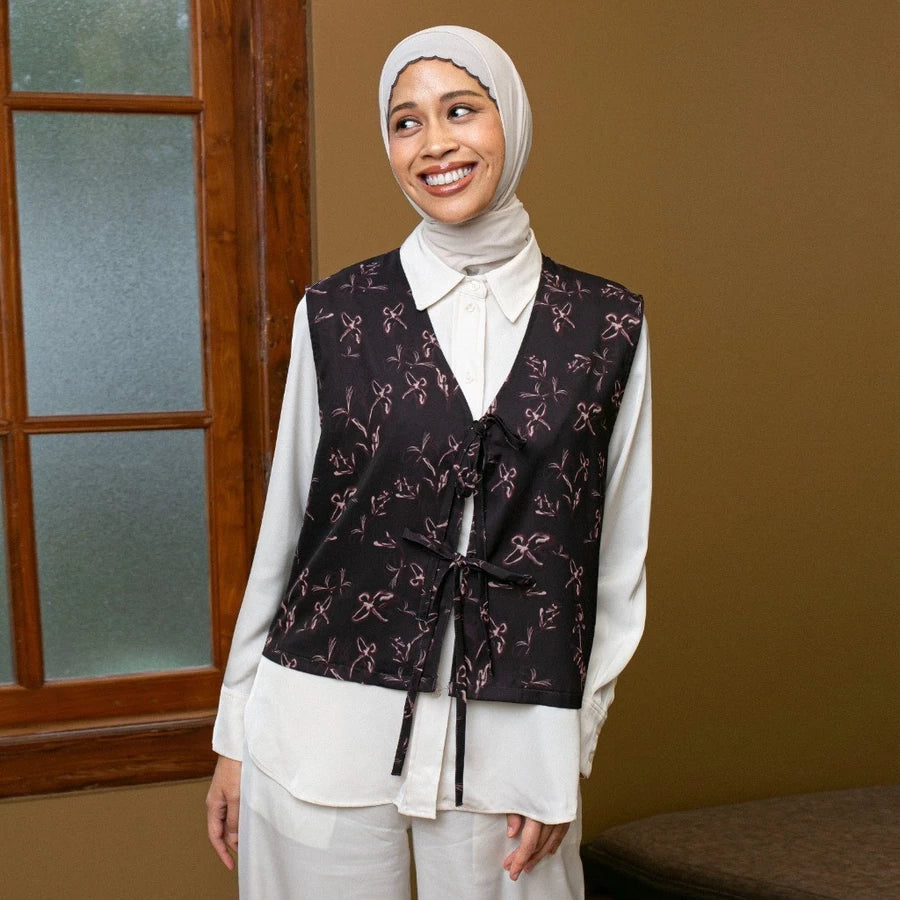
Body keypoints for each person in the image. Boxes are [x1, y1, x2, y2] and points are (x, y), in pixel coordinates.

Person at [206, 25, 651, 900]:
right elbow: (287, 534)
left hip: (513, 745)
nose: (435, 143)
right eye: (405, 122)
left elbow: (614, 566)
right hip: (317, 727)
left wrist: (563, 749)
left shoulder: (608, 324)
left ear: (510, 120)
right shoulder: (335, 312)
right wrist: (234, 734)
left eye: (461, 111)